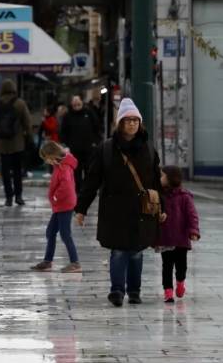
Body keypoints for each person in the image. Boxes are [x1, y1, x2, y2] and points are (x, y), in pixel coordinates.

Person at [74, 98, 164, 307]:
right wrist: (81, 209)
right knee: (119, 251)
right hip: (115, 209)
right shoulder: (106, 149)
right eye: (127, 120)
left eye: (135, 120)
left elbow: (157, 183)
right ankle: (116, 290)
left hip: (141, 210)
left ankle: (134, 291)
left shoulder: (149, 150)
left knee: (136, 252)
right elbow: (92, 180)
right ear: (120, 123)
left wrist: (163, 208)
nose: (132, 124)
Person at [31, 141, 81, 273]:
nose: (47, 162)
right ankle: (48, 261)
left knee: (65, 234)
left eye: (47, 159)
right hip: (60, 205)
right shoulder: (59, 165)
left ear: (52, 155)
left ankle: (75, 262)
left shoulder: (64, 168)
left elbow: (66, 186)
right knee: (50, 232)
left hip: (64, 205)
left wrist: (55, 197)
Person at [157, 165, 200, 303]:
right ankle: (168, 291)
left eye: (162, 175)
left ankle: (180, 282)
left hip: (181, 239)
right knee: (167, 266)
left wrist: (193, 231)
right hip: (166, 238)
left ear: (171, 178)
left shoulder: (185, 196)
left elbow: (192, 215)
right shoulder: (159, 195)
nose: (160, 178)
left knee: (181, 266)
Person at [0, 79, 32, 207]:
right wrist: (28, 137)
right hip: (18, 144)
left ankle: (8, 197)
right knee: (18, 171)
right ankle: (18, 196)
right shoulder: (20, 103)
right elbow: (28, 122)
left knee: (5, 172)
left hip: (2, 145)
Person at [60, 95, 102, 193]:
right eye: (74, 103)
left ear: (82, 102)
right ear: (71, 104)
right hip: (74, 150)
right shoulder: (67, 116)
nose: (76, 104)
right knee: (76, 173)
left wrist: (95, 142)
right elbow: (63, 132)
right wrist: (67, 144)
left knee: (89, 171)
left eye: (78, 102)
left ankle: (89, 191)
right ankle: (77, 191)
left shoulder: (89, 113)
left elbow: (97, 127)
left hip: (89, 149)